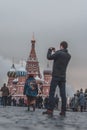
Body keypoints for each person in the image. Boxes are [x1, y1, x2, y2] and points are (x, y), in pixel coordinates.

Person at [42, 41, 71, 116]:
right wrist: (57, 52)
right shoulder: (68, 56)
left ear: (61, 46)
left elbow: (49, 57)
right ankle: (63, 111)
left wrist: (50, 50)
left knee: (52, 92)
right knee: (63, 94)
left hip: (55, 76)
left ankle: (50, 110)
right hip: (63, 77)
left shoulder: (58, 53)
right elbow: (60, 55)